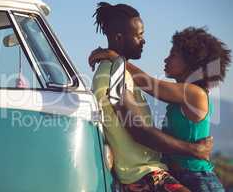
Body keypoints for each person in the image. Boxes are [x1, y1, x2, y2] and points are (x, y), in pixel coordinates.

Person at [90, 22, 231, 191]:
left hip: (199, 180)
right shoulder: (183, 96)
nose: (166, 59)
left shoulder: (196, 93)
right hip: (183, 177)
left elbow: (147, 83)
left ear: (191, 62)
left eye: (173, 55)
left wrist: (115, 58)